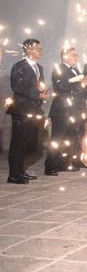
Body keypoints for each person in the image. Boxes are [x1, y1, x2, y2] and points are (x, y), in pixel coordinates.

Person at [44, 47, 87, 175]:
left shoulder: (76, 70)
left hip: (74, 110)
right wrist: (81, 84)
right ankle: (50, 165)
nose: (77, 58)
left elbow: (79, 90)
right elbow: (61, 86)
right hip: (62, 109)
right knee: (57, 138)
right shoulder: (59, 69)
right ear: (65, 56)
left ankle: (63, 163)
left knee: (70, 138)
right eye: (74, 55)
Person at [5, 39, 48, 184]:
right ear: (28, 50)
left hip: (33, 109)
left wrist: (43, 91)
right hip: (21, 109)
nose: (40, 51)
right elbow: (16, 87)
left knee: (26, 142)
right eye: (37, 48)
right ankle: (13, 174)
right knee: (18, 142)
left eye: (41, 48)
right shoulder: (19, 66)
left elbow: (38, 86)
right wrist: (37, 94)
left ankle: (20, 171)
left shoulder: (39, 67)